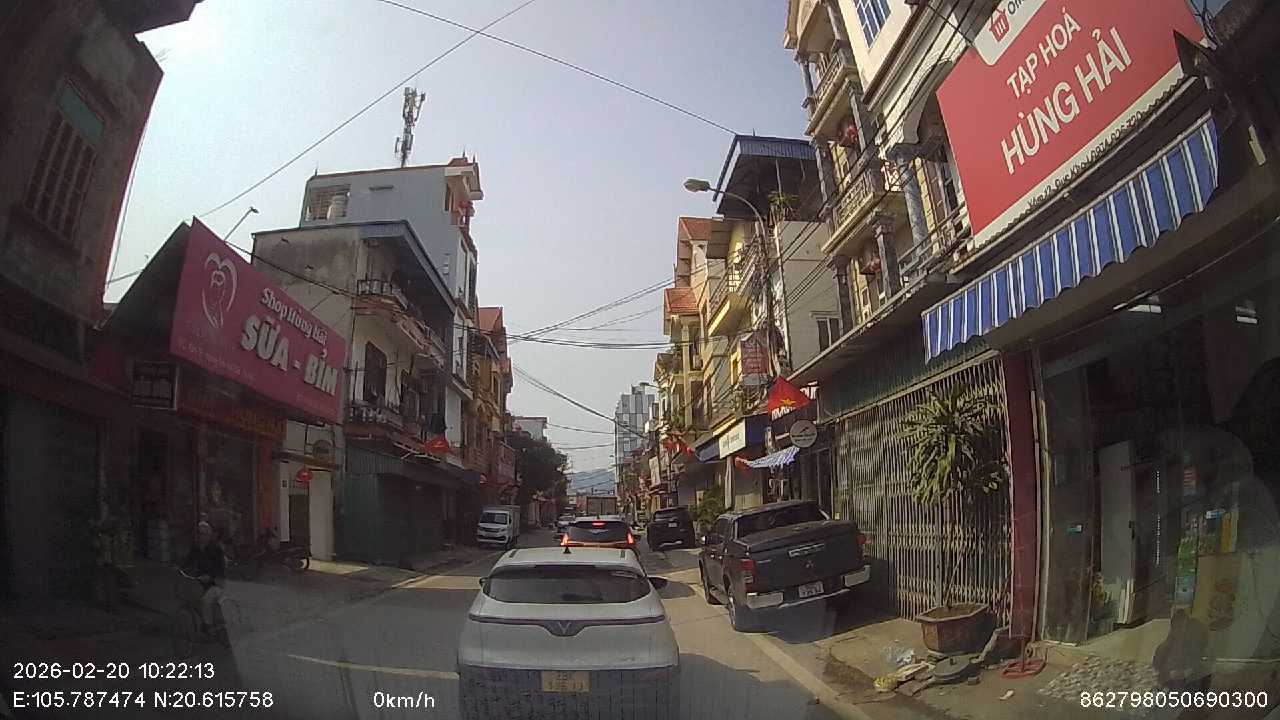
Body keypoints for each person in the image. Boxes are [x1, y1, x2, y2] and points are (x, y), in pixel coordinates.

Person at [182, 521, 226, 631]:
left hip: (217, 582)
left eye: (203, 534)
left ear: (209, 535)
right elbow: (189, 559)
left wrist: (211, 577)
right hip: (202, 580)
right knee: (193, 595)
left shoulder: (216, 549)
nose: (200, 536)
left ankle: (209, 625)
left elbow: (221, 568)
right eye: (198, 533)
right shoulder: (196, 547)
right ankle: (207, 617)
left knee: (206, 600)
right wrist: (178, 566)